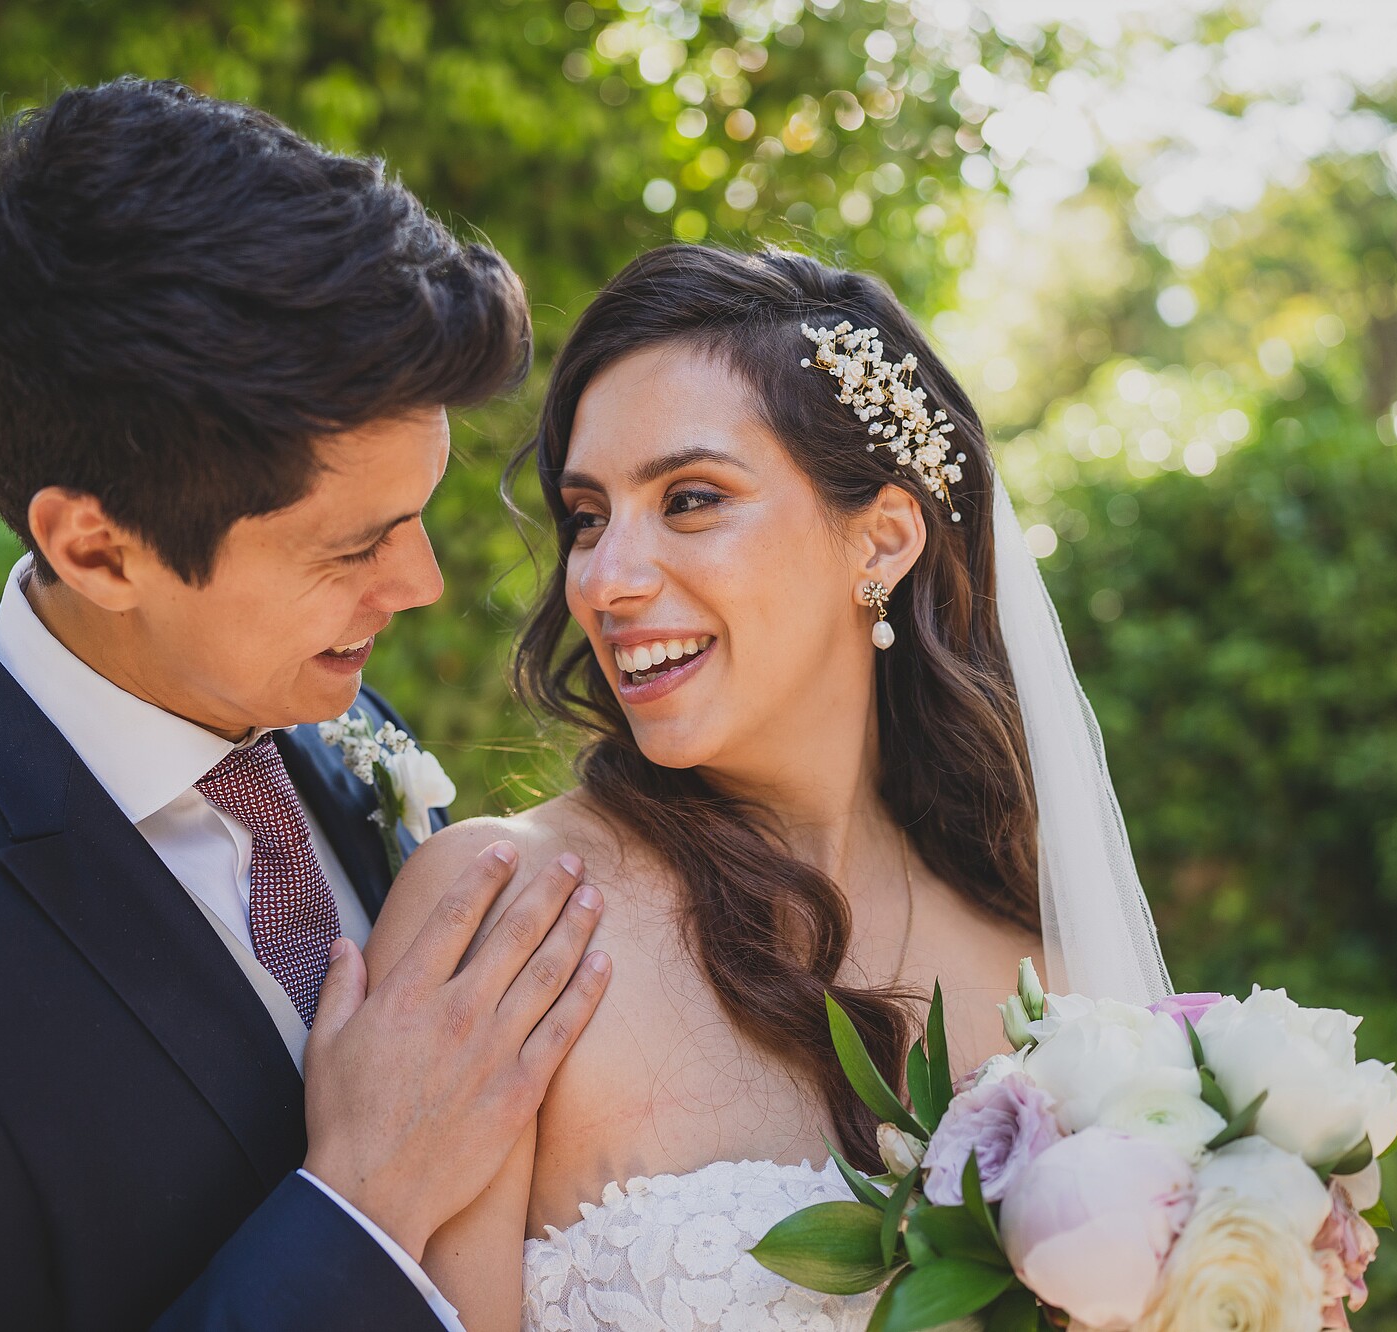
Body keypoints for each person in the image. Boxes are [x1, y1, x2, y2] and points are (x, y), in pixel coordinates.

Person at [0, 79, 611, 1331]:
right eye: (353, 548)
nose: (423, 583)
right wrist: (363, 1201)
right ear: (98, 550)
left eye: (420, 514)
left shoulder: (340, 728)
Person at [366, 245, 1172, 1332]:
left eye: (690, 499)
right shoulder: (511, 914)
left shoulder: (1048, 985)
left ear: (881, 540)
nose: (604, 579)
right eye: (587, 517)